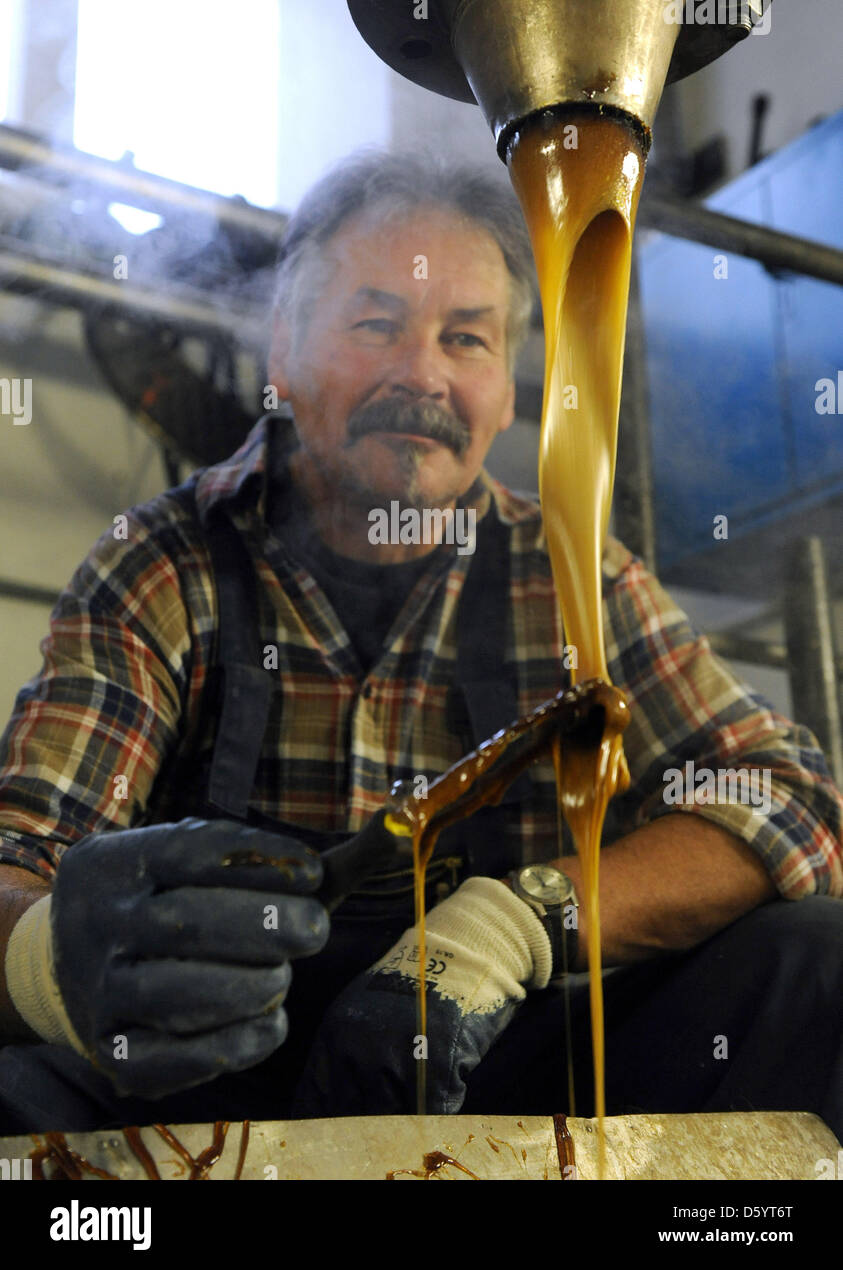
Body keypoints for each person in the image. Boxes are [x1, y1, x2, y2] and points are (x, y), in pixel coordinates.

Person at [0, 152, 841, 1142]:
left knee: (816, 963)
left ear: (507, 385)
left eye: (467, 338)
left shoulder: (574, 575)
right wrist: (51, 961)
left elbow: (788, 796)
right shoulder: (162, 562)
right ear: (283, 351)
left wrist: (525, 920)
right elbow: (21, 852)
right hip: (208, 1098)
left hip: (504, 1086)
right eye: (377, 325)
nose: (424, 375)